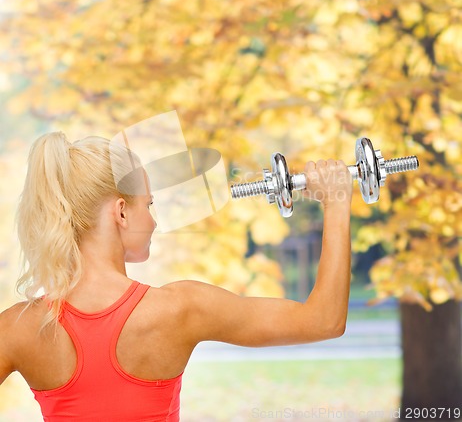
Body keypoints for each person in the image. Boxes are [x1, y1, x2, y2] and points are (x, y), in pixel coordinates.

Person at [0, 131, 353, 421]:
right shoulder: (180, 308)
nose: (153, 220)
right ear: (121, 212)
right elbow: (324, 320)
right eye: (148, 205)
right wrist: (336, 202)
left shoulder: (19, 327)